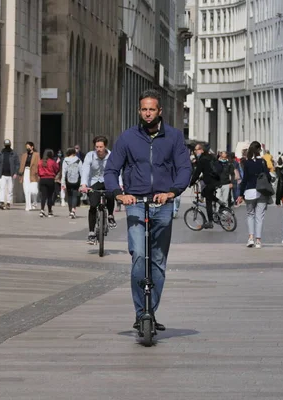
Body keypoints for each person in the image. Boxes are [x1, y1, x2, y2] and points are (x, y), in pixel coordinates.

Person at [105, 89, 192, 332]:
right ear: (139, 111)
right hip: (136, 204)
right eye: (144, 109)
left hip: (162, 204)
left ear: (160, 111)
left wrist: (173, 191)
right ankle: (140, 311)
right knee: (138, 258)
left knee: (157, 261)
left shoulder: (173, 137)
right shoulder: (128, 138)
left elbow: (184, 167)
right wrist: (119, 193)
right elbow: (111, 170)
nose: (148, 113)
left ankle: (150, 311)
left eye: (152, 109)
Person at [80, 136, 119, 244]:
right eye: (96, 147)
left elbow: (117, 170)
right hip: (94, 182)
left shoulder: (112, 156)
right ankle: (91, 232)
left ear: (105, 146)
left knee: (111, 194)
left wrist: (120, 184)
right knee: (93, 206)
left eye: (101, 147)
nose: (98, 149)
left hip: (108, 181)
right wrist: (83, 185)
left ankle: (110, 215)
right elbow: (85, 170)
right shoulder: (90, 156)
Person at [237, 141, 271, 249]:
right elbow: (268, 177)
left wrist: (240, 194)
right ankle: (258, 240)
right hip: (261, 191)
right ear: (259, 150)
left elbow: (245, 179)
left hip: (249, 191)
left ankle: (251, 238)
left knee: (250, 215)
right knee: (259, 217)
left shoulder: (247, 163)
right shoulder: (262, 162)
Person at [190, 145, 224, 229]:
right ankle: (219, 202)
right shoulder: (211, 157)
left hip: (210, 182)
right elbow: (209, 170)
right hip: (217, 180)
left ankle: (210, 222)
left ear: (202, 150)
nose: (195, 151)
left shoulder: (202, 160)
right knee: (205, 193)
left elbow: (197, 173)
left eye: (196, 150)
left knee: (208, 201)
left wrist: (191, 183)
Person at [0, 139, 20, 210]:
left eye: (8, 144)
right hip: (2, 174)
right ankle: (2, 202)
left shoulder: (14, 154)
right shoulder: (0, 154)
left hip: (11, 175)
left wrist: (15, 172)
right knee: (2, 188)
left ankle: (8, 202)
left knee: (10, 189)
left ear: (10, 145)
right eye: (6, 144)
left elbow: (17, 164)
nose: (7, 146)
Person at [37, 149, 60, 217]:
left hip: (43, 179)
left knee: (43, 196)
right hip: (50, 179)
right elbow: (57, 169)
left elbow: (38, 171)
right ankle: (50, 211)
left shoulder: (40, 162)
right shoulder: (52, 162)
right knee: (50, 196)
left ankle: (42, 210)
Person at [61, 147, 83, 218]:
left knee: (69, 195)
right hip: (76, 181)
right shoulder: (78, 160)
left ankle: (70, 211)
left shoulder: (65, 160)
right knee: (75, 195)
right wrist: (82, 183)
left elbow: (63, 172)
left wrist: (63, 183)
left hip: (68, 180)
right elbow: (81, 172)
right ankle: (73, 210)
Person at [19, 141, 40, 211]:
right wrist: (20, 172)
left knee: (34, 190)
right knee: (26, 189)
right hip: (25, 172)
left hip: (33, 173)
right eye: (26, 147)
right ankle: (28, 205)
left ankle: (34, 202)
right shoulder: (24, 155)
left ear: (32, 147)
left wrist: (38, 173)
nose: (27, 148)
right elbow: (22, 164)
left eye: (28, 147)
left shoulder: (36, 155)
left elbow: (38, 164)